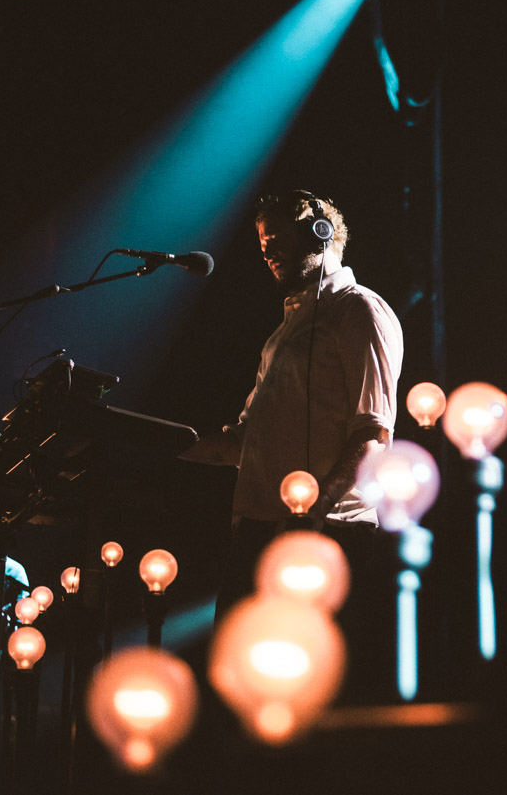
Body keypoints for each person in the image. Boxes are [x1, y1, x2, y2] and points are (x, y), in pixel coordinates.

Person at [181, 191, 404, 668]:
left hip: (325, 532)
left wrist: (313, 514)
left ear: (320, 233)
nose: (267, 252)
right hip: (260, 533)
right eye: (263, 243)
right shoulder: (283, 334)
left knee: (313, 687)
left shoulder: (358, 311)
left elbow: (373, 433)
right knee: (238, 679)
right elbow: (241, 443)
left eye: (278, 239)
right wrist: (157, 442)